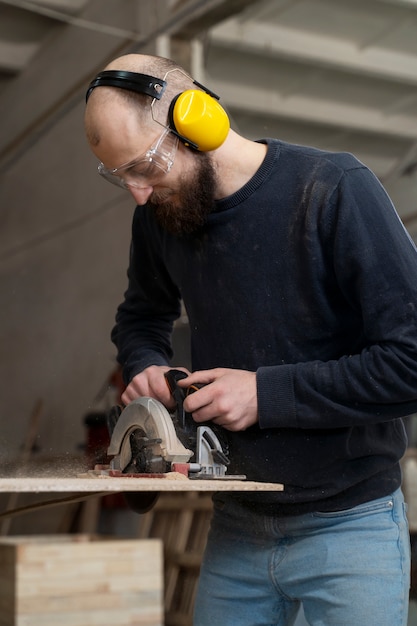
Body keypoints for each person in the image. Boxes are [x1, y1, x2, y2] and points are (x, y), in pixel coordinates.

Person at [84, 53, 417, 626]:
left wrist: (267, 394)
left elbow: (411, 362)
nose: (138, 193)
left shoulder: (334, 191)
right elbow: (142, 318)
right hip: (236, 527)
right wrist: (145, 365)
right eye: (121, 176)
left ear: (196, 122)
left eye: (144, 165)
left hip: (350, 528)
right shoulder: (160, 216)